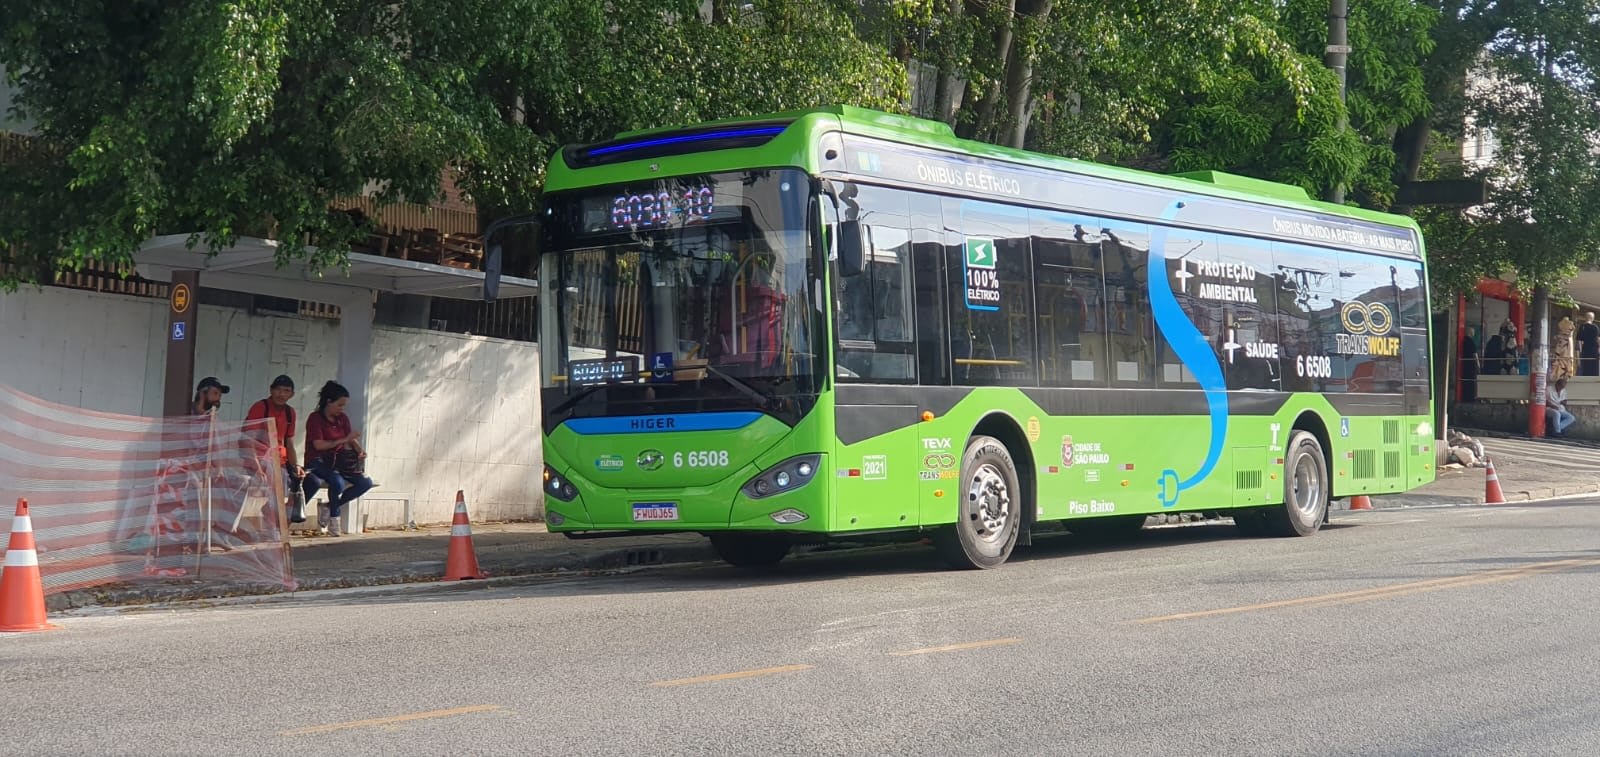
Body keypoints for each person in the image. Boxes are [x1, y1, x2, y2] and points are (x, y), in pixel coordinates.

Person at [302, 381, 373, 536]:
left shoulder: (342, 419)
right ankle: (335, 519)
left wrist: (359, 450)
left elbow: (350, 439)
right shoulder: (315, 418)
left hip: (338, 461)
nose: (342, 409)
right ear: (329, 402)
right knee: (337, 482)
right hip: (318, 461)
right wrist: (343, 439)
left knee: (365, 482)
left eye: (343, 406)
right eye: (339, 405)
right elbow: (319, 445)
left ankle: (329, 507)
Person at [246, 375, 309, 524]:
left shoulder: (290, 412)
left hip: (279, 461)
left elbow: (289, 442)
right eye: (278, 390)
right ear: (271, 390)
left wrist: (296, 466)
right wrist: (256, 465)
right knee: (277, 483)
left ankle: (276, 520)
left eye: (286, 391)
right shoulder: (261, 407)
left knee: (299, 480)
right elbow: (248, 439)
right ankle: (273, 527)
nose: (281, 394)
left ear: (292, 394)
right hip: (259, 458)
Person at [1460, 327, 1479, 402]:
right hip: (1471, 364)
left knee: (1465, 381)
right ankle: (1470, 398)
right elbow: (1475, 354)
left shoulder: (1464, 341)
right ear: (1470, 333)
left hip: (1465, 364)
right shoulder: (1471, 342)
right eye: (1473, 332)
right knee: (1471, 381)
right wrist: (1478, 364)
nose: (1474, 334)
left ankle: (1465, 397)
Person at [1578, 312, 1600, 377]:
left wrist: (1580, 352)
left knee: (1585, 367)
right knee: (1594, 368)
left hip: (1585, 350)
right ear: (1592, 318)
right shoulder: (1595, 327)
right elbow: (1598, 340)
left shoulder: (1582, 327)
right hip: (1594, 351)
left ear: (1585, 318)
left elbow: (1579, 341)